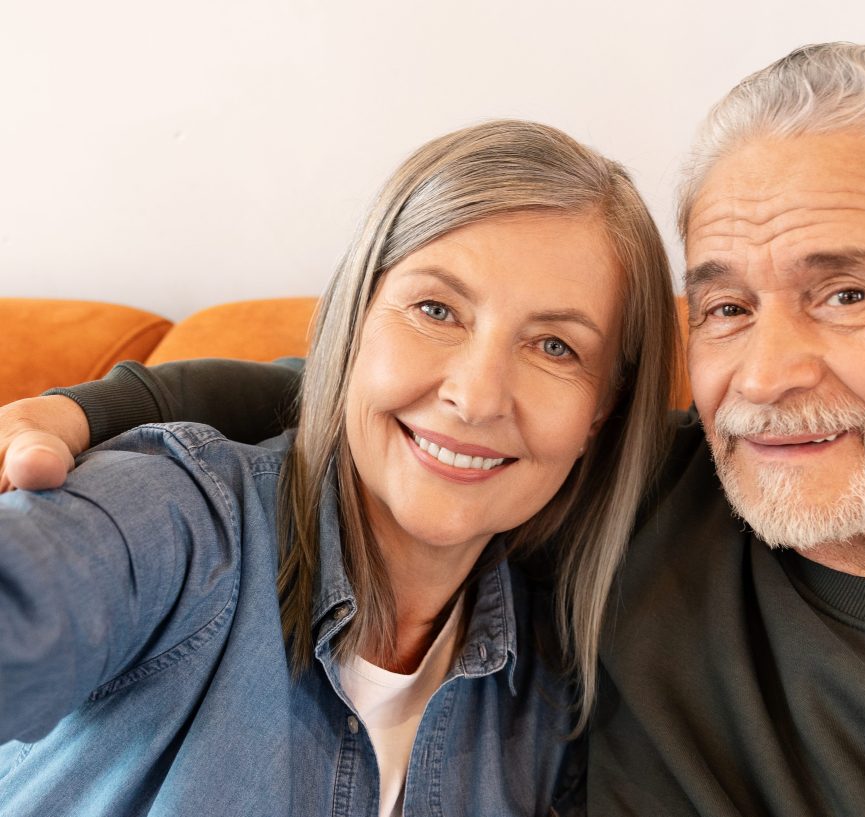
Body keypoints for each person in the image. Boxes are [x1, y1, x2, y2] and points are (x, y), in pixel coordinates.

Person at [5, 44, 865, 816]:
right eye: (726, 304)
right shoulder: (650, 493)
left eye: (846, 293)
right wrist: (99, 406)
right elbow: (379, 409)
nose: (767, 375)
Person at [0, 119, 679, 816]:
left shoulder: (550, 699)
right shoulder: (178, 520)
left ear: (601, 413)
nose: (475, 397)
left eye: (555, 347)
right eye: (436, 308)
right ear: (353, 322)